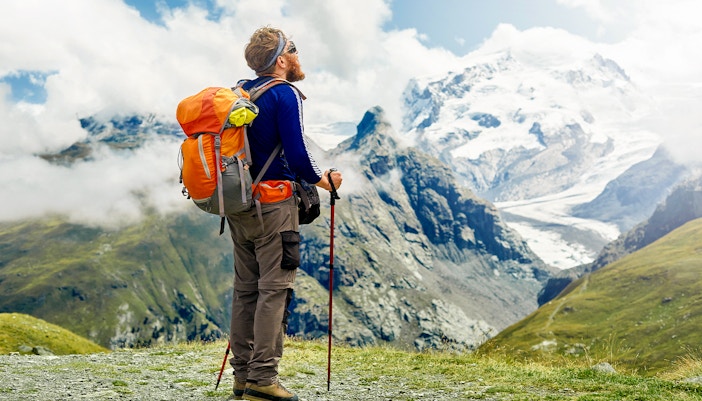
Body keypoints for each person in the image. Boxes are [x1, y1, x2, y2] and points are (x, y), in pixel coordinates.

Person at [227, 26, 343, 401]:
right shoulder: (285, 94)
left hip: (239, 206)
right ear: (281, 59)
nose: (298, 55)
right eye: (294, 49)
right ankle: (263, 379)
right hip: (274, 207)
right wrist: (324, 179)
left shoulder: (243, 91)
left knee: (245, 292)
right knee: (274, 292)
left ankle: (243, 377)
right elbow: (296, 154)